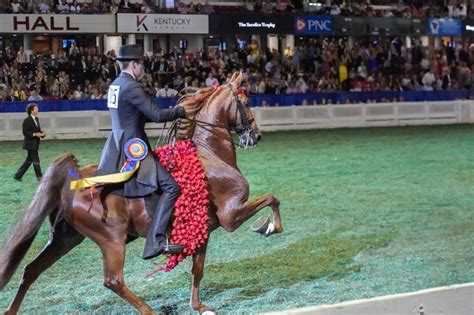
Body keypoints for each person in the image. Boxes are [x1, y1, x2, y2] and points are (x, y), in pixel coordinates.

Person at [96, 44, 186, 260]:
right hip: (133, 146)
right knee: (171, 187)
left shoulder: (115, 85)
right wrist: (181, 111)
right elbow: (156, 115)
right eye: (142, 64)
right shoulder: (132, 86)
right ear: (134, 65)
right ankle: (156, 241)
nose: (144, 68)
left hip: (116, 143)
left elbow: (131, 114)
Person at [14, 103, 44, 182]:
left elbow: (37, 130)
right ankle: (39, 176)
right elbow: (25, 132)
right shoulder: (27, 120)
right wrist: (35, 134)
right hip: (30, 144)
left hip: (35, 143)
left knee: (29, 161)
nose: (37, 109)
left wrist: (42, 134)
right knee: (36, 159)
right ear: (31, 111)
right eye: (36, 108)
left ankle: (18, 176)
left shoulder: (36, 119)